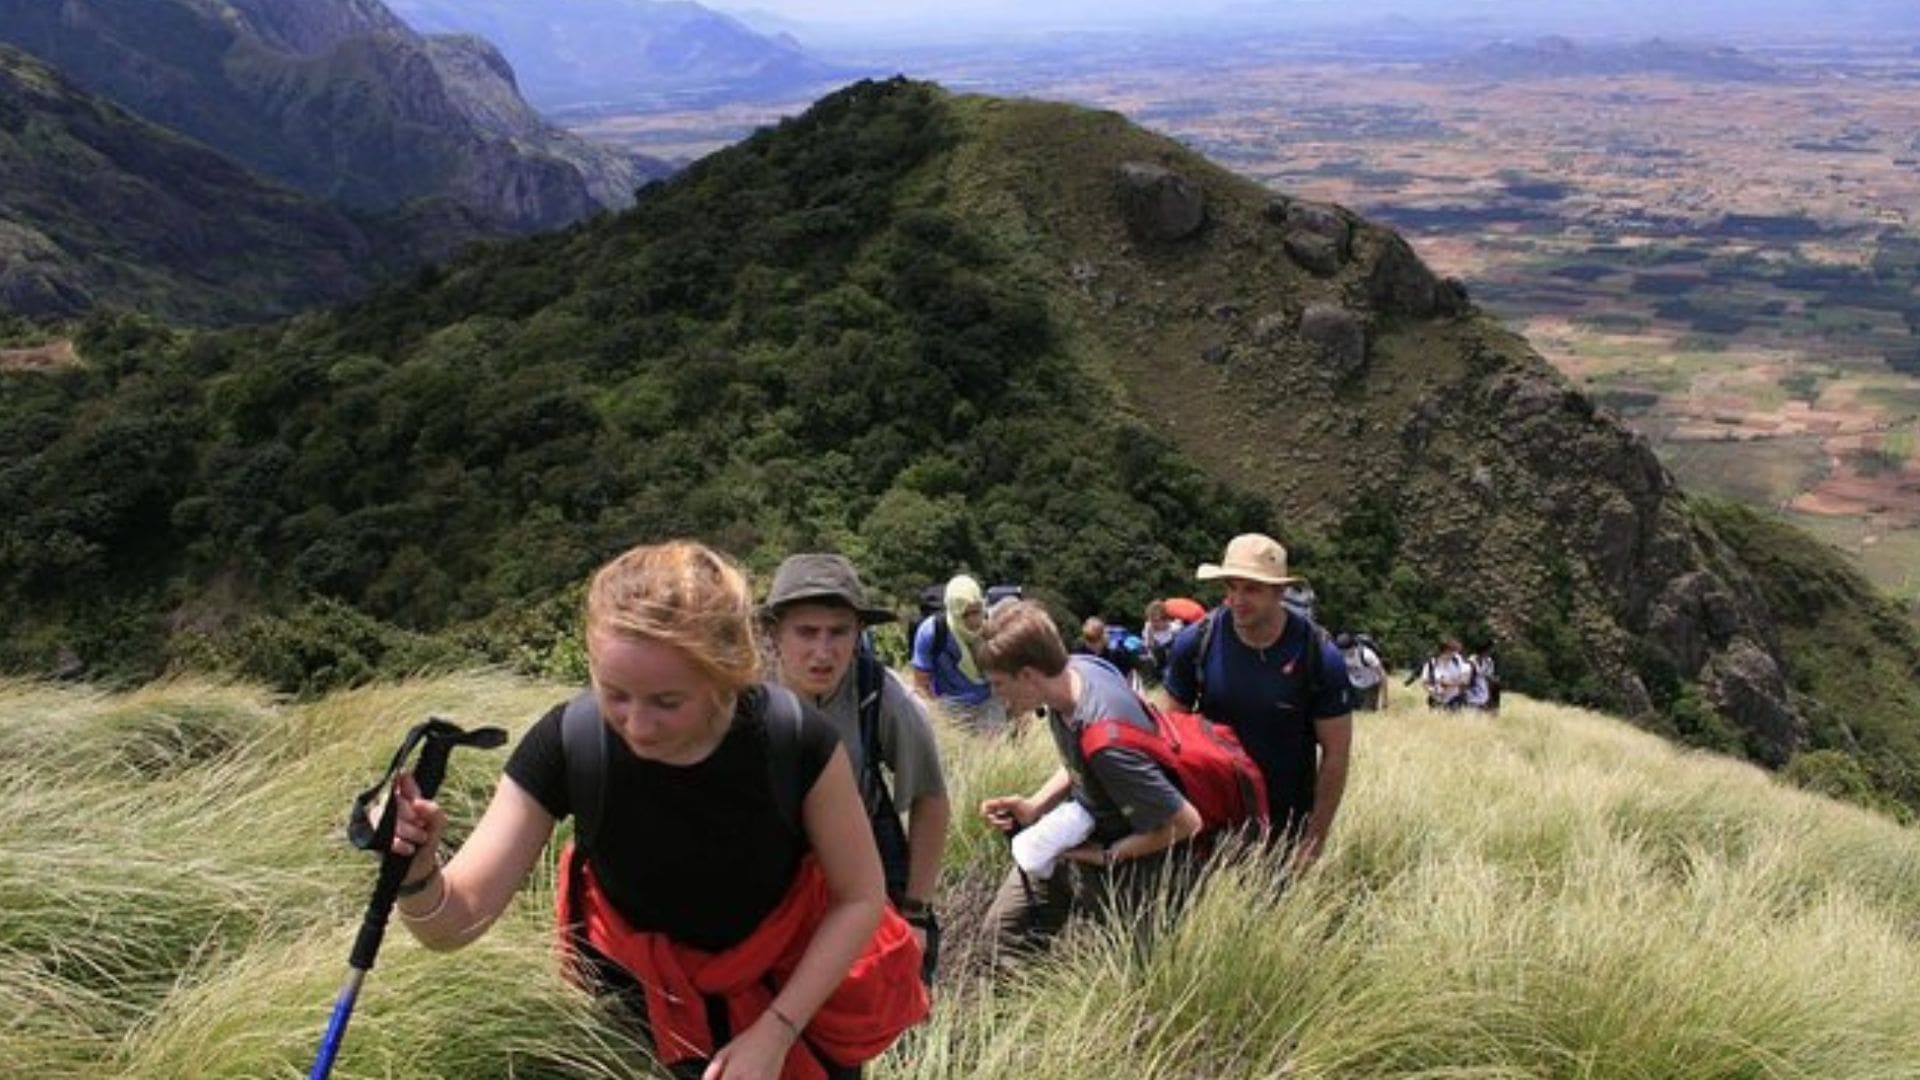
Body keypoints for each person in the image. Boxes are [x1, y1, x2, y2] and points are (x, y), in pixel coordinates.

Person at [383, 541, 927, 1079]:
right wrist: (416, 873)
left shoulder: (793, 740)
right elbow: (452, 924)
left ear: (728, 675)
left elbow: (860, 897)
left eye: (667, 702)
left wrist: (775, 1032)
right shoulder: (569, 743)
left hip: (793, 1013)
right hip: (638, 1027)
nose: (637, 726)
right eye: (614, 694)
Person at [974, 601, 1203, 966]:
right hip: (1080, 832)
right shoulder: (1078, 672)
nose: (998, 695)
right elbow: (1083, 757)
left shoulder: (1108, 742)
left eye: (1000, 684)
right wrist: (1035, 805)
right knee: (1004, 939)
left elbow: (1186, 823)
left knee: (1135, 975)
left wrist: (1107, 856)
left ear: (1029, 675)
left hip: (1136, 865)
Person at [761, 553, 951, 982]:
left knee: (895, 988)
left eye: (839, 632)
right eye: (806, 632)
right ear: (775, 632)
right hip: (769, 865)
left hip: (859, 855)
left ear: (858, 633)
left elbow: (930, 798)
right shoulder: (740, 696)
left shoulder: (877, 693)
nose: (823, 652)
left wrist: (916, 913)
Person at [1163, 533, 1353, 872]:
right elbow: (1168, 734)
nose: (1237, 599)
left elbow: (1336, 754)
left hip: (1285, 824)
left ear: (1280, 592)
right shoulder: (1195, 644)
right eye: (1231, 587)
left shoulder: (1318, 656)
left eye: (1251, 589)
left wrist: (1313, 842)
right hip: (1210, 814)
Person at [910, 574, 1006, 734]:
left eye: (977, 611)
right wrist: (935, 718)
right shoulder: (932, 632)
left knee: (993, 754)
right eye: (966, 615)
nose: (974, 620)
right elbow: (920, 684)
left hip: (990, 701)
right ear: (954, 612)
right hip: (949, 707)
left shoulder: (992, 626)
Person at [1336, 631, 1389, 712]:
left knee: (1367, 713)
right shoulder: (1339, 655)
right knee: (1350, 712)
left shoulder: (1366, 654)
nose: (1344, 654)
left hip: (1371, 686)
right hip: (1354, 686)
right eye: (1342, 651)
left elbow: (1382, 674)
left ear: (1354, 646)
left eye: (1346, 651)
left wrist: (1384, 699)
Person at [1418, 638, 1474, 710]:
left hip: (1454, 700)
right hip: (1436, 701)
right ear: (1446, 650)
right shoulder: (1431, 664)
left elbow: (1465, 680)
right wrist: (1432, 690)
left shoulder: (1458, 661)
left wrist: (1449, 683)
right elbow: (1424, 682)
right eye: (1454, 651)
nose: (1456, 654)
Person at [1141, 600, 1184, 682]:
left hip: (1172, 663)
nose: (1154, 624)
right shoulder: (1149, 628)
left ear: (1165, 620)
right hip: (1156, 664)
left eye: (1156, 621)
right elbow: (1147, 649)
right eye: (1151, 621)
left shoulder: (1175, 629)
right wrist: (1150, 635)